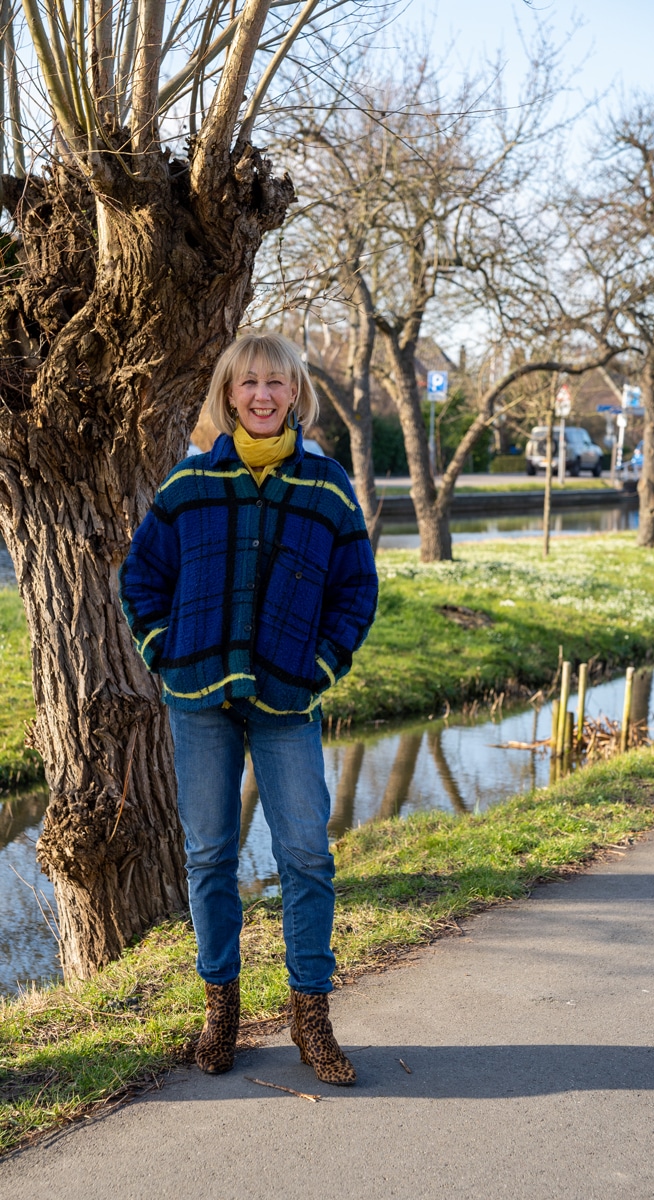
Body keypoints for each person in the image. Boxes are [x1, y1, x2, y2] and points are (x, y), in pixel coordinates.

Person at [119, 331, 378, 1086]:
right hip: (198, 698)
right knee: (208, 856)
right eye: (248, 383)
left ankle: (310, 1016)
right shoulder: (189, 484)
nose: (262, 395)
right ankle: (220, 1008)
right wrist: (166, 653)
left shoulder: (325, 485)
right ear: (227, 393)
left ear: (295, 392)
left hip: (285, 699)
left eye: (277, 383)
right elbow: (142, 580)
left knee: (305, 852)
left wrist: (321, 665)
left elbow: (355, 590)